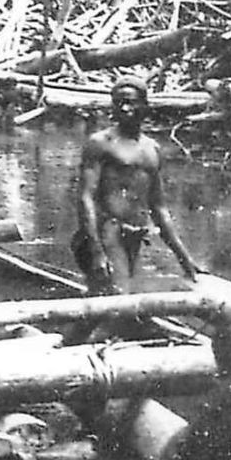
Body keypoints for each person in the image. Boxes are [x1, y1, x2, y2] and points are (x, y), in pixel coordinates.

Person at [74, 75, 202, 295]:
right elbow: (86, 197)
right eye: (119, 103)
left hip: (135, 238)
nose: (125, 108)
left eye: (131, 102)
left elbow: (159, 208)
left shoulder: (152, 149)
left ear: (144, 106)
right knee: (119, 299)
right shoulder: (100, 143)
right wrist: (96, 251)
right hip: (107, 234)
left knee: (121, 303)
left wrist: (184, 257)